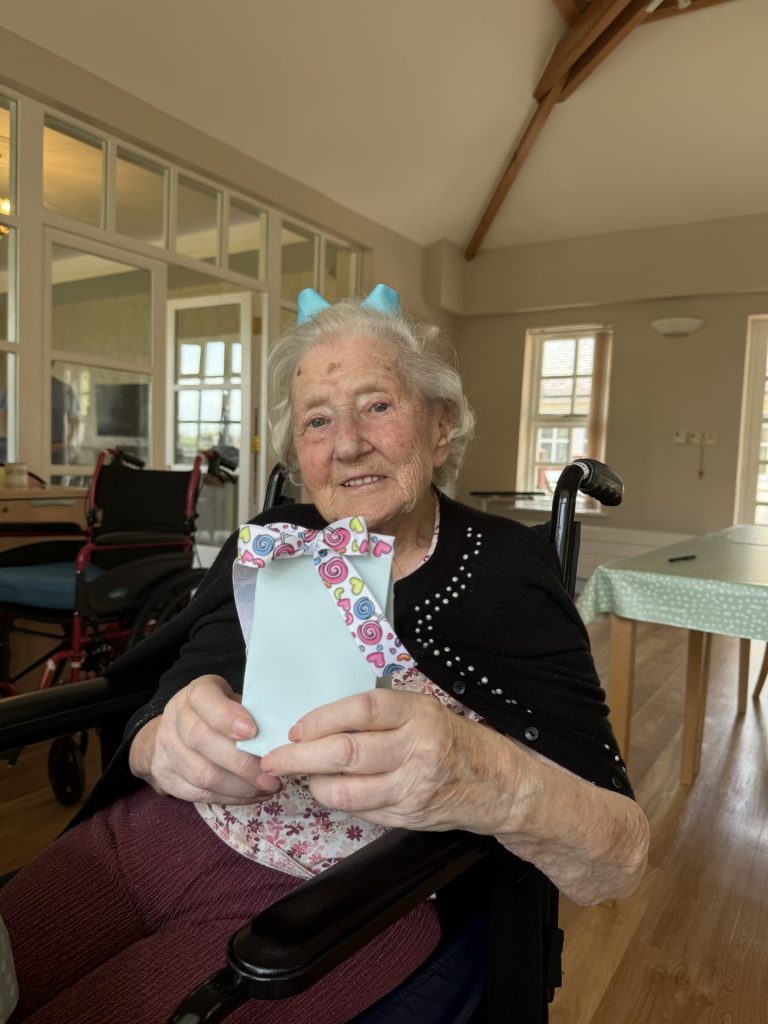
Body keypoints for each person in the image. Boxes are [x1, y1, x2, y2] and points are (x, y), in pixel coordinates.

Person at [0, 284, 649, 1023]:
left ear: (440, 429)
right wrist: (163, 740)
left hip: (331, 903)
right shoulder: (278, 538)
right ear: (298, 454)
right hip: (142, 839)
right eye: (317, 419)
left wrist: (480, 771)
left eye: (377, 405)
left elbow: (618, 856)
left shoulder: (504, 570)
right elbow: (175, 678)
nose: (346, 442)